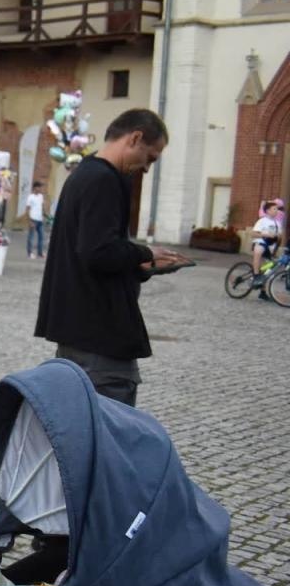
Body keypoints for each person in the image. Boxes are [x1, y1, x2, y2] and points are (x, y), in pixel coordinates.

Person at [34, 109, 186, 407]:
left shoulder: (85, 174)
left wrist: (143, 265)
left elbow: (92, 253)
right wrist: (145, 252)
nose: (146, 168)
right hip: (99, 334)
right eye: (151, 157)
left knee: (81, 429)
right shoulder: (103, 179)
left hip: (78, 329)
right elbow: (98, 252)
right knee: (108, 435)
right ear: (136, 138)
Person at [250, 199, 283, 301]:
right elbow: (253, 234)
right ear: (268, 211)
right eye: (274, 209)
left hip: (270, 246)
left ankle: (262, 292)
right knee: (259, 250)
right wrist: (265, 234)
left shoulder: (278, 223)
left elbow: (279, 237)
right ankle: (255, 274)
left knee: (268, 270)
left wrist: (276, 249)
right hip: (261, 242)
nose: (276, 211)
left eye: (277, 209)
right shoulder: (262, 221)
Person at [25, 181, 48, 258]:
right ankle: (30, 253)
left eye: (41, 187)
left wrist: (45, 214)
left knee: (41, 237)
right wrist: (30, 221)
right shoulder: (31, 197)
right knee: (31, 237)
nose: (41, 188)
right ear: (35, 188)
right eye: (39, 187)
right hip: (33, 219)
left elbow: (42, 206)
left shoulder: (41, 196)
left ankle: (40, 252)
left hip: (40, 219)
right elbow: (27, 209)